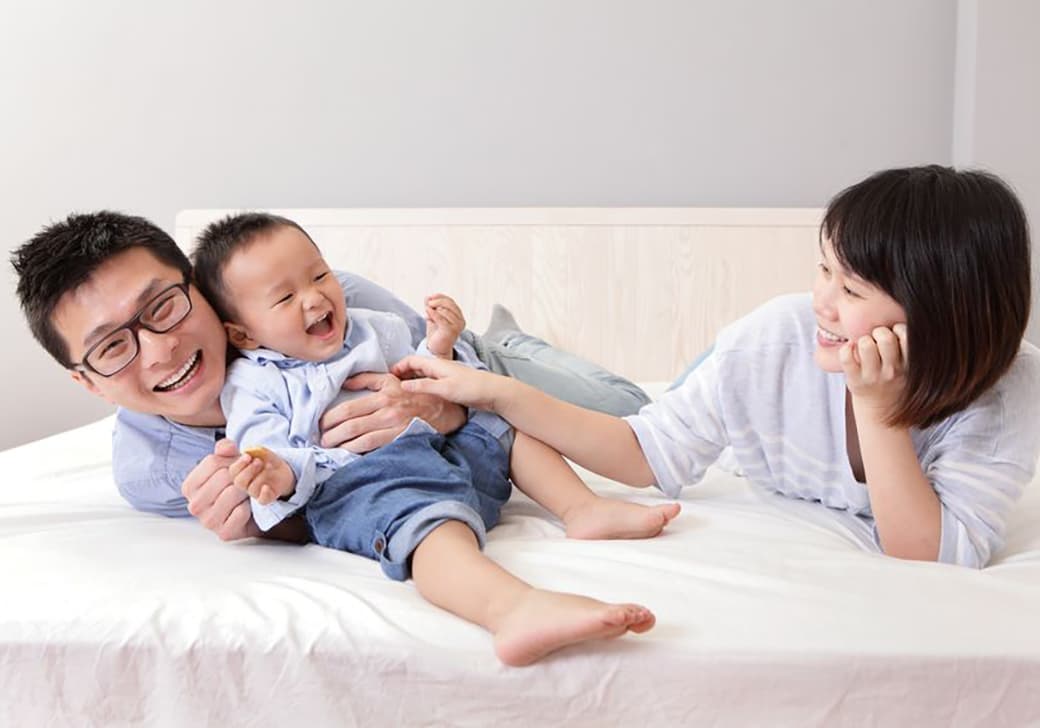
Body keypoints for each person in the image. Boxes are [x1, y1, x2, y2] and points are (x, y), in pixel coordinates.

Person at [391, 165, 1040, 569]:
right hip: (741, 362)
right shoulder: (775, 339)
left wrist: (877, 407)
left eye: (850, 291)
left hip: (765, 377)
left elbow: (927, 554)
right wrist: (496, 390)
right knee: (616, 406)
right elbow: (641, 454)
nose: (823, 300)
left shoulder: (1008, 390)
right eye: (823, 270)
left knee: (616, 398)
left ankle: (515, 349)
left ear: (941, 315)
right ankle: (507, 348)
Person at [187, 213, 670, 665]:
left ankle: (580, 507)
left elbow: (425, 376)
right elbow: (265, 451)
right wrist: (278, 470)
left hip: (440, 448)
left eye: (319, 276)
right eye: (285, 298)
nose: (314, 299)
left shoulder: (374, 326)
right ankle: (511, 608)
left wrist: (439, 343)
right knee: (424, 523)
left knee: (498, 417)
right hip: (361, 482)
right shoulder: (253, 382)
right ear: (244, 335)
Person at [11, 211, 649, 543]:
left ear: (200, 289)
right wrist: (268, 526)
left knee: (629, 411)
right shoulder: (148, 472)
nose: (158, 350)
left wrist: (439, 407)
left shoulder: (328, 306)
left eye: (163, 306)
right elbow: (314, 504)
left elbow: (446, 372)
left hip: (473, 362)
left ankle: (513, 333)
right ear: (88, 382)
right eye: (112, 347)